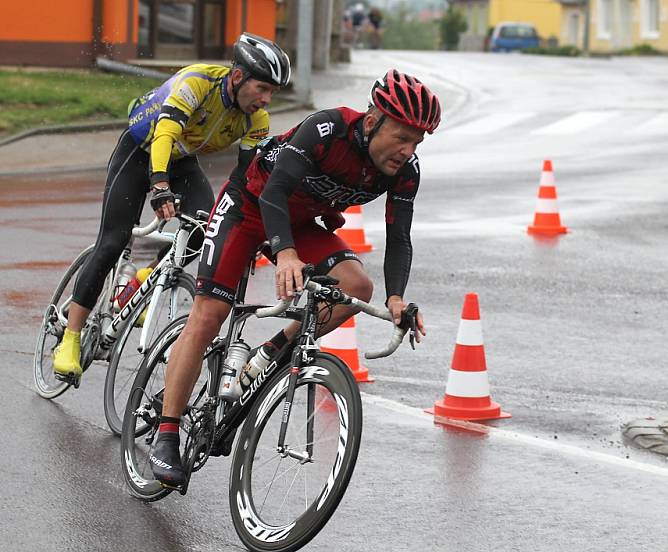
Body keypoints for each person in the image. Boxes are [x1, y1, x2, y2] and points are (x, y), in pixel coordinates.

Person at [148, 69, 441, 487]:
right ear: (374, 121)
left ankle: (272, 350)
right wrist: (284, 254)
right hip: (248, 209)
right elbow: (273, 192)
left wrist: (397, 298)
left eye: (417, 142)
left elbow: (399, 236)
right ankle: (167, 432)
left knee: (357, 287)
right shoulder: (326, 129)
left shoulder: (404, 171)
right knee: (210, 315)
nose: (408, 150)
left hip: (300, 221)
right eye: (402, 137)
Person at [52, 33, 291, 383]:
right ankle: (70, 337)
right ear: (238, 77)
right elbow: (164, 135)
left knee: (205, 229)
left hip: (181, 161)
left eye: (273, 92)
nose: (267, 100)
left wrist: (255, 229)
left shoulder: (256, 121)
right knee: (113, 242)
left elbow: (246, 180)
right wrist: (160, 185)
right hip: (141, 150)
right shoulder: (197, 82)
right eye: (262, 89)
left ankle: (143, 281)